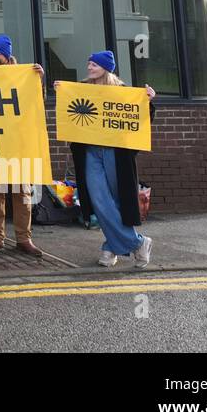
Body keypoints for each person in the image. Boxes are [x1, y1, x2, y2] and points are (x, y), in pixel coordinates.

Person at [55, 50, 156, 269]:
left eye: (94, 64)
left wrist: (147, 101)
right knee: (98, 199)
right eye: (88, 63)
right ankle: (138, 243)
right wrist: (62, 93)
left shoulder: (122, 91)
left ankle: (110, 247)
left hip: (115, 153)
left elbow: (140, 117)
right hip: (90, 152)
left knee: (116, 201)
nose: (89, 67)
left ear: (105, 68)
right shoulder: (81, 89)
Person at [0, 34, 45, 257]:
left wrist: (39, 80)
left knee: (22, 194)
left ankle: (24, 239)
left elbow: (36, 102)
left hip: (19, 143)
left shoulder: (24, 75)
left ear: (7, 55)